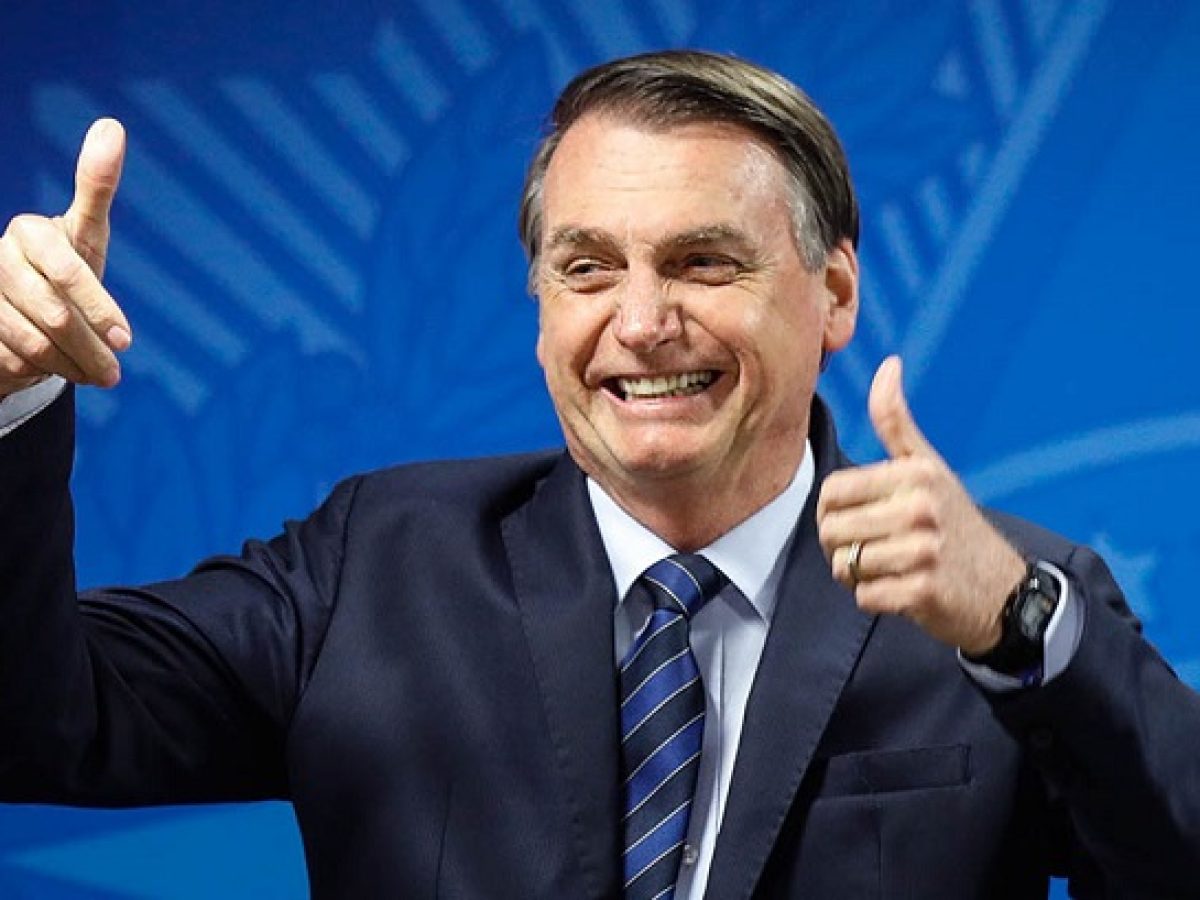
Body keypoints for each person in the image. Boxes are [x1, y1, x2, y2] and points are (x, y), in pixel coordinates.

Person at [0, 49, 1197, 899]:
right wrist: (14, 396)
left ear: (832, 294)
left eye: (703, 262)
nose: (641, 321)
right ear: (539, 303)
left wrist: (1019, 628)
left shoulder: (999, 603)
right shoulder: (376, 563)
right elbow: (41, 725)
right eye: (587, 269)